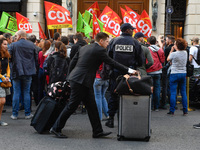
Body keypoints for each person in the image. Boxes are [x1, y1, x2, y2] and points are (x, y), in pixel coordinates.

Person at [49, 32, 136, 138]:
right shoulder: (100, 50)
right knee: (72, 105)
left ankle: (97, 131)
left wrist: (69, 77)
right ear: (101, 41)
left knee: (92, 106)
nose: (108, 44)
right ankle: (56, 128)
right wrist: (129, 70)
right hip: (81, 81)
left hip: (79, 80)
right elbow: (112, 62)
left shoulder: (85, 47)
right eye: (107, 41)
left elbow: (73, 62)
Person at [105, 23, 144, 128]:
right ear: (127, 30)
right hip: (130, 74)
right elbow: (141, 60)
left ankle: (111, 118)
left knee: (113, 95)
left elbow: (107, 58)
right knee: (129, 95)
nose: (133, 31)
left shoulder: (113, 41)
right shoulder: (135, 42)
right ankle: (127, 119)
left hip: (115, 73)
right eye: (132, 29)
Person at [8, 30, 37, 120]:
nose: (15, 37)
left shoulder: (13, 45)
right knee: (26, 92)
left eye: (16, 36)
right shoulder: (32, 45)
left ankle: (15, 114)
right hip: (28, 71)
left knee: (16, 92)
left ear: (20, 36)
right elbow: (36, 58)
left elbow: (9, 57)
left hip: (16, 71)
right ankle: (27, 114)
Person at [167, 38, 188, 115]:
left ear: (177, 45)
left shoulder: (174, 54)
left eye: (175, 44)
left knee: (173, 92)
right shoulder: (185, 53)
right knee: (183, 92)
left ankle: (172, 110)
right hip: (183, 73)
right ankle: (185, 110)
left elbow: (168, 59)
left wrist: (171, 50)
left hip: (174, 73)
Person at [146, 36, 165, 112]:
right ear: (156, 42)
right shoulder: (160, 50)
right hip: (158, 71)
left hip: (149, 71)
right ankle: (156, 106)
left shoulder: (147, 50)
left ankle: (150, 106)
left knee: (149, 89)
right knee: (157, 89)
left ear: (148, 42)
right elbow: (163, 60)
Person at [160, 35, 175, 109]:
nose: (165, 41)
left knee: (166, 86)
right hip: (175, 70)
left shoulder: (168, 48)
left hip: (167, 69)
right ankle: (173, 103)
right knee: (173, 87)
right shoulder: (177, 49)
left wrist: (162, 47)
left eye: (166, 40)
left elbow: (163, 57)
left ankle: (164, 102)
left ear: (170, 41)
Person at [0, 36, 11, 126]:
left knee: (2, 102)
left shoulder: (6, 55)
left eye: (7, 44)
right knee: (2, 101)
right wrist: (2, 77)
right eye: (4, 44)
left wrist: (7, 76)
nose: (6, 46)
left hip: (4, 80)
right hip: (1, 79)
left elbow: (8, 67)